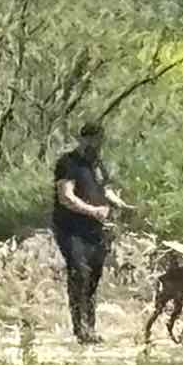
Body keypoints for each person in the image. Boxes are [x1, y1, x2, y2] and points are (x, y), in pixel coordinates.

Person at [51, 121, 134, 343]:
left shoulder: (97, 163)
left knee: (94, 276)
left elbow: (105, 189)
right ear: (83, 139)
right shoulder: (68, 163)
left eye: (99, 140)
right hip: (70, 229)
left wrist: (122, 205)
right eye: (92, 139)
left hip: (95, 229)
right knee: (80, 273)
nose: (96, 144)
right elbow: (65, 196)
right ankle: (81, 330)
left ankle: (90, 328)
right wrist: (93, 211)